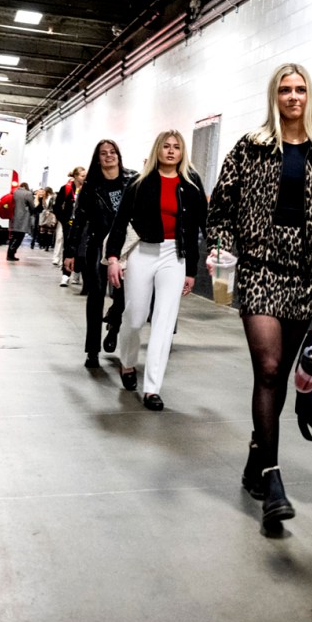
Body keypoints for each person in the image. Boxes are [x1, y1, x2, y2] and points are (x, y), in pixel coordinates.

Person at [205, 63, 312, 527]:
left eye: (300, 89)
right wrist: (223, 247)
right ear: (275, 96)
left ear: (309, 96)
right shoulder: (251, 148)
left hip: (305, 277)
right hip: (259, 270)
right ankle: (272, 478)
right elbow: (221, 208)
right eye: (285, 90)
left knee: (279, 377)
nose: (293, 97)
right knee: (267, 369)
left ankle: (254, 456)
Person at [105, 130, 206, 411]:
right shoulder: (139, 183)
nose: (171, 151)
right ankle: (127, 363)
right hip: (143, 253)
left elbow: (196, 226)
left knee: (164, 322)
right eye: (166, 146)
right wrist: (113, 257)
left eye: (176, 147)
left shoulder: (191, 183)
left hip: (175, 257)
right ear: (157, 150)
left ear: (182, 152)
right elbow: (120, 220)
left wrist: (191, 269)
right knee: (135, 318)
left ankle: (152, 389)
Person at [65, 140, 138, 368]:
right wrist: (70, 252)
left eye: (113, 152)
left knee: (126, 296)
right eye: (104, 153)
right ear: (98, 159)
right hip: (98, 244)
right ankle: (92, 350)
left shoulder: (133, 179)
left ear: (119, 154)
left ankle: (114, 324)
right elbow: (79, 221)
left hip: (127, 246)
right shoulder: (90, 186)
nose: (109, 156)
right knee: (96, 295)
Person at [53, 167, 85, 284]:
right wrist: (63, 220)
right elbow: (57, 206)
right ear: (76, 176)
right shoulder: (66, 188)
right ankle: (65, 275)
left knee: (80, 249)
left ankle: (77, 272)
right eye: (82, 176)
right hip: (69, 224)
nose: (84, 178)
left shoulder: (87, 189)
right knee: (68, 247)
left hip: (82, 224)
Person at [6, 182, 37, 261]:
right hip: (23, 218)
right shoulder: (28, 193)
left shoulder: (14, 192)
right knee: (19, 237)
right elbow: (32, 206)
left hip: (13, 217)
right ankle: (11, 254)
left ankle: (9, 254)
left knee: (13, 236)